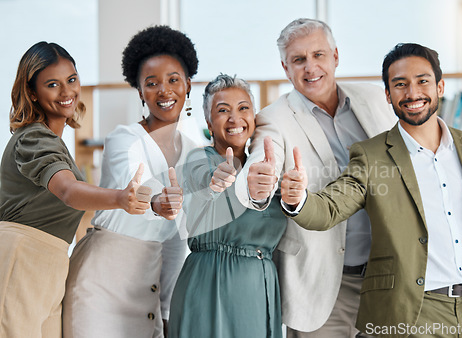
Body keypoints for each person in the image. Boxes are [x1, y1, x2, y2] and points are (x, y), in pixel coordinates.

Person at [281, 43, 462, 338]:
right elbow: (331, 208)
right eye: (400, 84)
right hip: (413, 313)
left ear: (440, 86)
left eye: (422, 81)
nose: (412, 94)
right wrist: (299, 200)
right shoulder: (372, 156)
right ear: (388, 95)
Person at [234, 18, 396, 337]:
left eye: (318, 55)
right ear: (285, 67)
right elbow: (261, 163)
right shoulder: (273, 118)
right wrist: (256, 185)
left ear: (335, 56)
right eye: (299, 59)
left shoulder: (375, 98)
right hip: (320, 287)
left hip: (386, 280)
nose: (310, 68)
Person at [0, 41, 151, 338]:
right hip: (21, 259)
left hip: (48, 264)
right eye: (52, 84)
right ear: (32, 92)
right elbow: (68, 190)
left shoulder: (54, 142)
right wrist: (121, 198)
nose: (67, 92)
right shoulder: (33, 138)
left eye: (71, 80)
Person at [62, 25, 199, 338]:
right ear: (140, 92)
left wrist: (166, 311)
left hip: (148, 286)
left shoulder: (194, 153)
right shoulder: (124, 139)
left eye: (173, 80)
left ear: (188, 84)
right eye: (151, 84)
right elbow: (133, 180)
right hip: (101, 284)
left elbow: (177, 242)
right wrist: (154, 201)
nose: (164, 91)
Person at [168, 74, 287, 337]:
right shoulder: (200, 159)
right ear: (209, 123)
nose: (235, 119)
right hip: (212, 283)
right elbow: (201, 177)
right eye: (223, 111)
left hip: (262, 286)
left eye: (243, 108)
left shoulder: (267, 166)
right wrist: (216, 182)